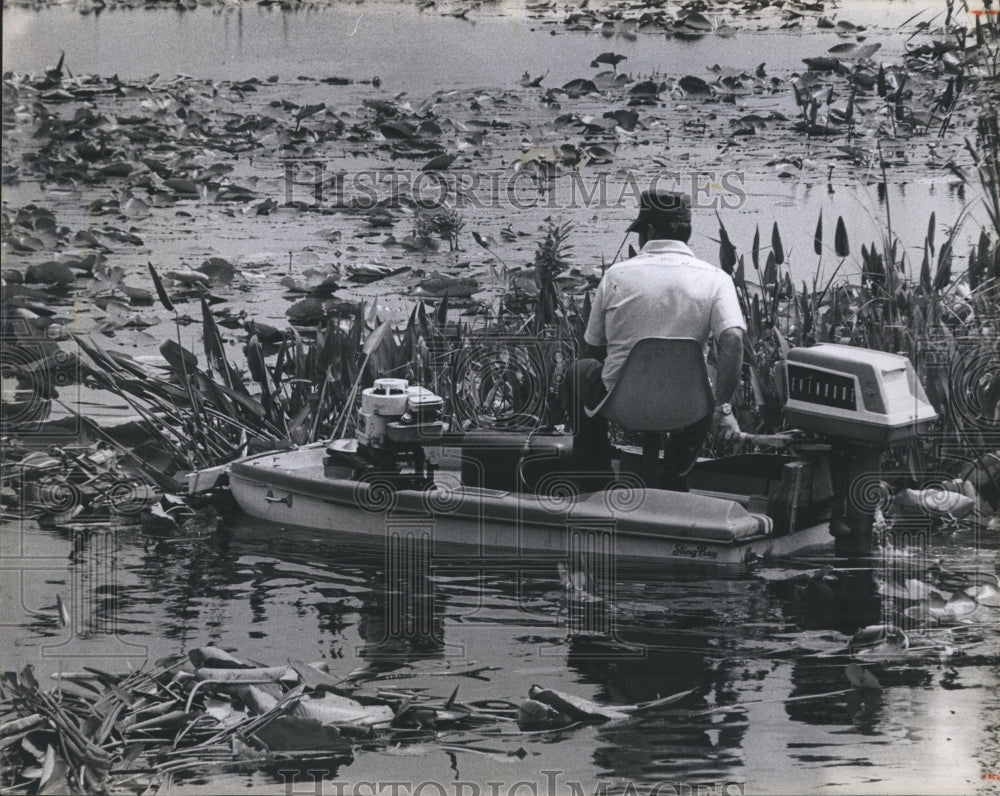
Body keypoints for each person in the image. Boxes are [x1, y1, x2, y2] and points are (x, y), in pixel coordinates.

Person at [561, 189, 746, 490]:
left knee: (578, 372)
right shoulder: (717, 279)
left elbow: (592, 349)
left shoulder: (616, 276)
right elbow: (734, 340)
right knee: (707, 385)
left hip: (619, 405)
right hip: (687, 409)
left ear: (647, 231)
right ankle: (674, 479)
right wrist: (723, 409)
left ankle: (596, 475)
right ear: (686, 233)